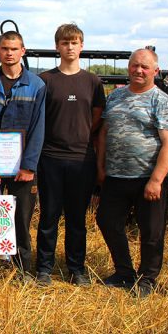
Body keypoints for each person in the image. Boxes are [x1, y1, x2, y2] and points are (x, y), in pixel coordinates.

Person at [96, 48, 168, 297]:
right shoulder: (115, 97)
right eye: (134, 66)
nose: (138, 70)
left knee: (151, 231)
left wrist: (156, 180)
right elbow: (103, 133)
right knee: (107, 221)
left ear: (155, 71)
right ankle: (124, 272)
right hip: (116, 176)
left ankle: (147, 278)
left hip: (148, 178)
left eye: (144, 67)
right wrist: (101, 167)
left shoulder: (162, 101)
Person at [34, 24, 106, 286]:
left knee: (77, 219)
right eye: (65, 43)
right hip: (50, 157)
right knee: (49, 216)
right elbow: (39, 118)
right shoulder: (45, 80)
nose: (70, 47)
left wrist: (82, 134)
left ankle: (76, 268)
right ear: (57, 47)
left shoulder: (92, 82)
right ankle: (44, 268)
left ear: (82, 46)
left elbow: (97, 117)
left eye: (74, 43)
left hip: (81, 158)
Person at [0, 30, 46, 280]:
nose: (9, 53)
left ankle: (23, 269)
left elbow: (38, 129)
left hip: (21, 167)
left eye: (14, 49)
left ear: (22, 51)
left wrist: (29, 166)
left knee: (21, 218)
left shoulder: (36, 85)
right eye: (5, 49)